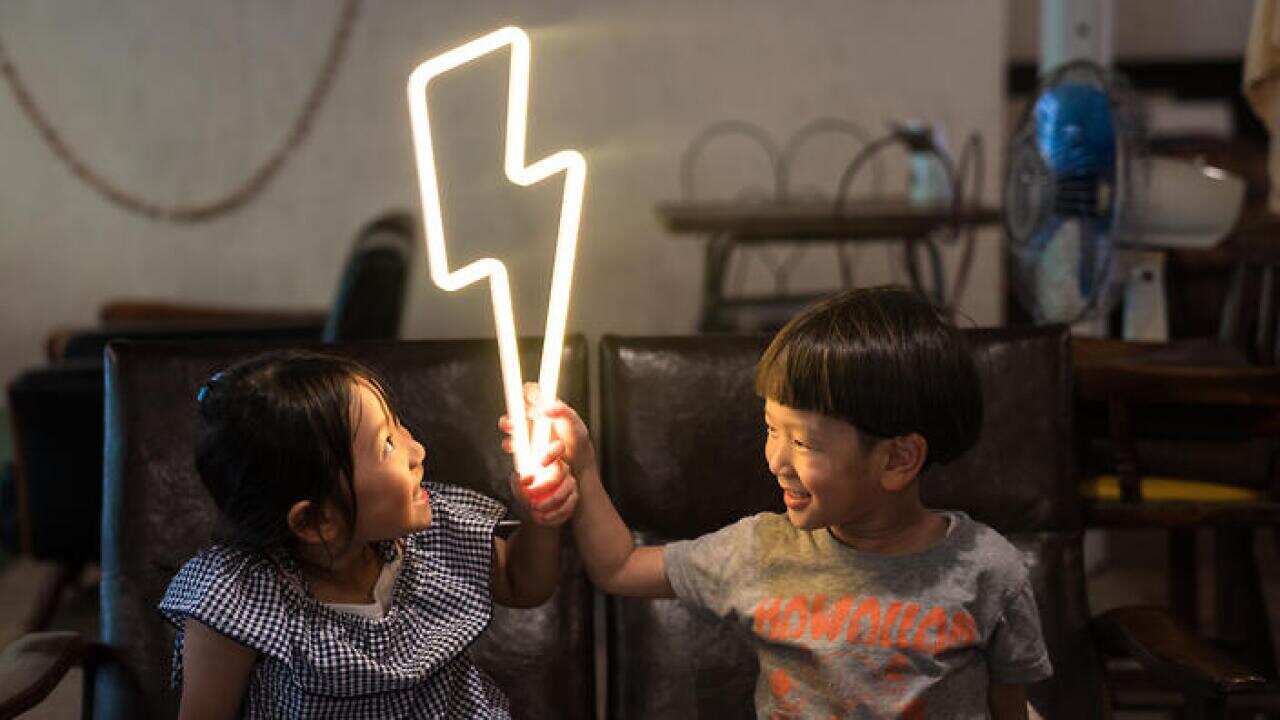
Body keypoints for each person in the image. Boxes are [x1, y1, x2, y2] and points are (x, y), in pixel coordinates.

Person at [507, 286, 1052, 720]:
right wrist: (583, 466)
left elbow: (1009, 707)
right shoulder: (759, 550)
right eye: (772, 428)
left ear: (897, 460)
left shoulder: (989, 570)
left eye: (804, 442)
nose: (776, 459)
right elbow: (620, 566)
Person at [160, 350, 578, 719]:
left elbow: (522, 583)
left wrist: (539, 515)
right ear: (315, 521)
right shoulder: (237, 601)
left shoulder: (431, 537)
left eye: (399, 426)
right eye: (388, 446)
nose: (418, 451)